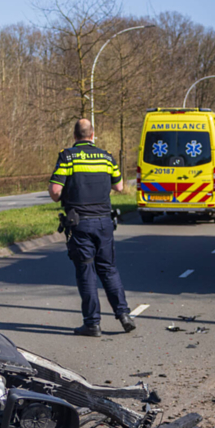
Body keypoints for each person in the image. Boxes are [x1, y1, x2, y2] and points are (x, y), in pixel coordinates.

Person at [49, 119, 135, 337]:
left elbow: (54, 191)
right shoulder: (106, 157)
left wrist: (69, 193)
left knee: (87, 271)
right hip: (104, 222)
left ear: (75, 135)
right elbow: (119, 185)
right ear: (92, 135)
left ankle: (92, 323)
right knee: (108, 269)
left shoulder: (68, 156)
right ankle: (124, 315)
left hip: (80, 222)